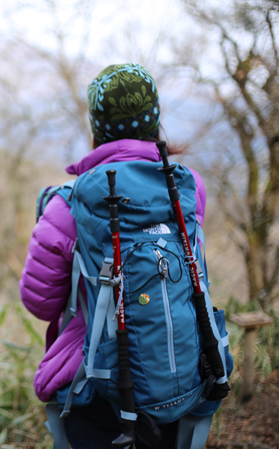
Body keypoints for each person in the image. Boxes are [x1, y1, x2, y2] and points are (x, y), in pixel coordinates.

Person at [19, 63, 206, 449]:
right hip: (183, 369)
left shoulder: (67, 207)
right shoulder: (186, 188)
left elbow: (39, 303)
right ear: (155, 121)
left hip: (97, 384)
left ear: (97, 127)